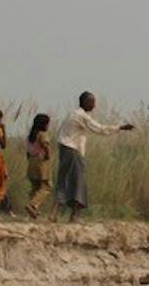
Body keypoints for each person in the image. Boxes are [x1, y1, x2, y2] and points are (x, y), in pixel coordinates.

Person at [53, 91, 134, 219]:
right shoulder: (81, 116)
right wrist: (120, 127)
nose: (94, 105)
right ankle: (75, 215)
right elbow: (100, 129)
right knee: (78, 182)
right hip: (73, 151)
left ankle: (55, 213)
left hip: (65, 149)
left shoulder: (72, 114)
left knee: (63, 181)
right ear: (85, 102)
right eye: (92, 102)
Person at [22, 114, 53, 218]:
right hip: (41, 162)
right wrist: (48, 156)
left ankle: (33, 210)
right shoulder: (42, 134)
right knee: (46, 186)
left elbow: (27, 152)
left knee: (35, 187)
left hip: (31, 162)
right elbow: (46, 146)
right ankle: (32, 205)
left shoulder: (30, 136)